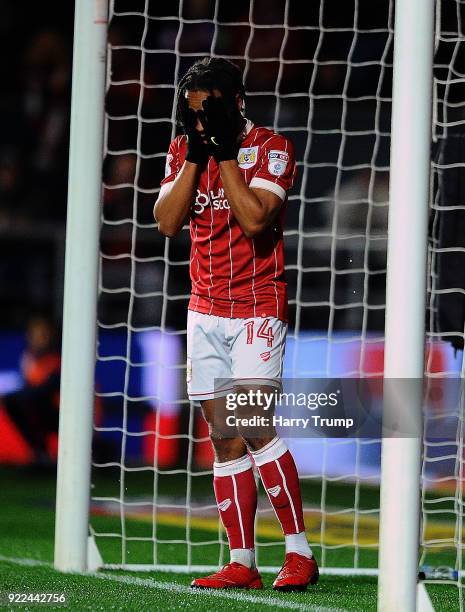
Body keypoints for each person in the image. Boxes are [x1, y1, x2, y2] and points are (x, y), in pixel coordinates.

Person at [154, 57, 318, 591]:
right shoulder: (184, 150)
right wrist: (197, 157)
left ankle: (299, 553)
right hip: (204, 310)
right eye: (192, 112)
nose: (199, 121)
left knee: (254, 426)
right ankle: (242, 562)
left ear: (236, 103)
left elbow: (254, 219)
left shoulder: (273, 148)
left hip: (256, 306)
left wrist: (223, 155)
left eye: (210, 111)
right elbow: (167, 222)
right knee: (223, 438)